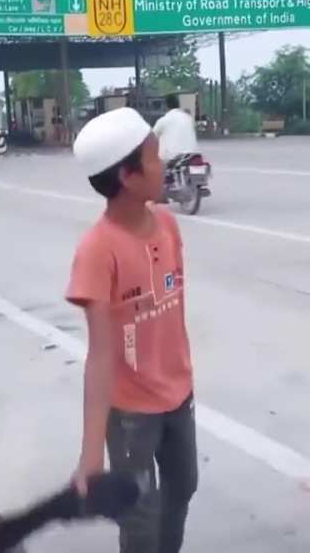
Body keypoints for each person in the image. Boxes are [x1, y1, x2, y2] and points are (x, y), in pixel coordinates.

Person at [66, 107, 198, 553]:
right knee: (139, 516)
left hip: (179, 394)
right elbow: (100, 355)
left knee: (183, 487)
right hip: (130, 415)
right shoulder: (97, 251)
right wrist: (91, 453)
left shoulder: (168, 225)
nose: (164, 164)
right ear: (127, 176)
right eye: (155, 157)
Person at [153, 94, 198, 163]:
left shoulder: (163, 120)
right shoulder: (189, 118)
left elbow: (152, 138)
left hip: (171, 158)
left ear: (165, 106)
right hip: (192, 156)